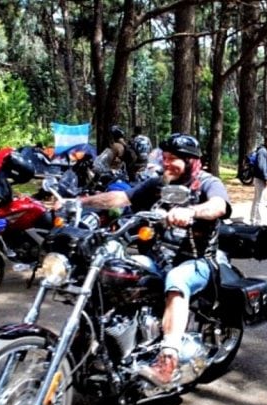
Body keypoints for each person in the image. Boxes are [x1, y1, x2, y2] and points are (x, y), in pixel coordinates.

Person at [74, 133, 231, 384]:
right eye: (165, 158)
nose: (166, 163)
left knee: (176, 280)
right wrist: (80, 202)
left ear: (191, 161)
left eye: (174, 159)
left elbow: (218, 206)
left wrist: (191, 211)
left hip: (197, 262)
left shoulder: (207, 182)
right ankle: (101, 342)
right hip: (159, 259)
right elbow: (123, 198)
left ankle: (168, 358)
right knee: (115, 272)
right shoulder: (159, 183)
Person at [250, 135, 267, 225]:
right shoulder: (262, 151)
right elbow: (261, 166)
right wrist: (266, 178)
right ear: (265, 142)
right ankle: (258, 222)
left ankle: (253, 219)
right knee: (260, 201)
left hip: (260, 178)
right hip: (260, 179)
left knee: (256, 200)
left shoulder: (265, 151)